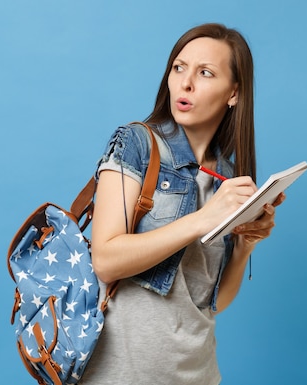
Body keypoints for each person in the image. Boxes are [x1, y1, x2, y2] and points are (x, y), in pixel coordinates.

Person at [80, 23, 286, 385]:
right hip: (120, 375)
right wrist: (203, 219)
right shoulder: (138, 144)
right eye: (179, 68)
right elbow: (106, 260)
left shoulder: (227, 177)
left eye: (205, 73)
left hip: (199, 374)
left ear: (234, 93)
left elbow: (212, 299)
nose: (186, 83)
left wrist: (245, 244)